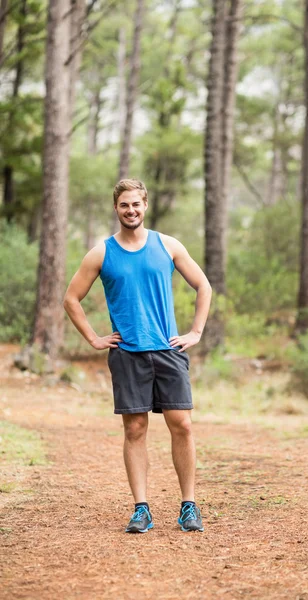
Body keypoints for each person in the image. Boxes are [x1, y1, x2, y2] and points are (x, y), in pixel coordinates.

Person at [63, 178, 212, 534]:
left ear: (145, 206)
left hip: (168, 350)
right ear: (116, 208)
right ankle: (141, 509)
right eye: (124, 205)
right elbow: (71, 299)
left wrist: (195, 332)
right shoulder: (101, 253)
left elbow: (203, 285)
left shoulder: (168, 245)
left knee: (183, 425)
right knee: (135, 429)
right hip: (127, 354)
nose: (131, 210)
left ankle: (188, 506)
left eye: (136, 204)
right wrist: (94, 339)